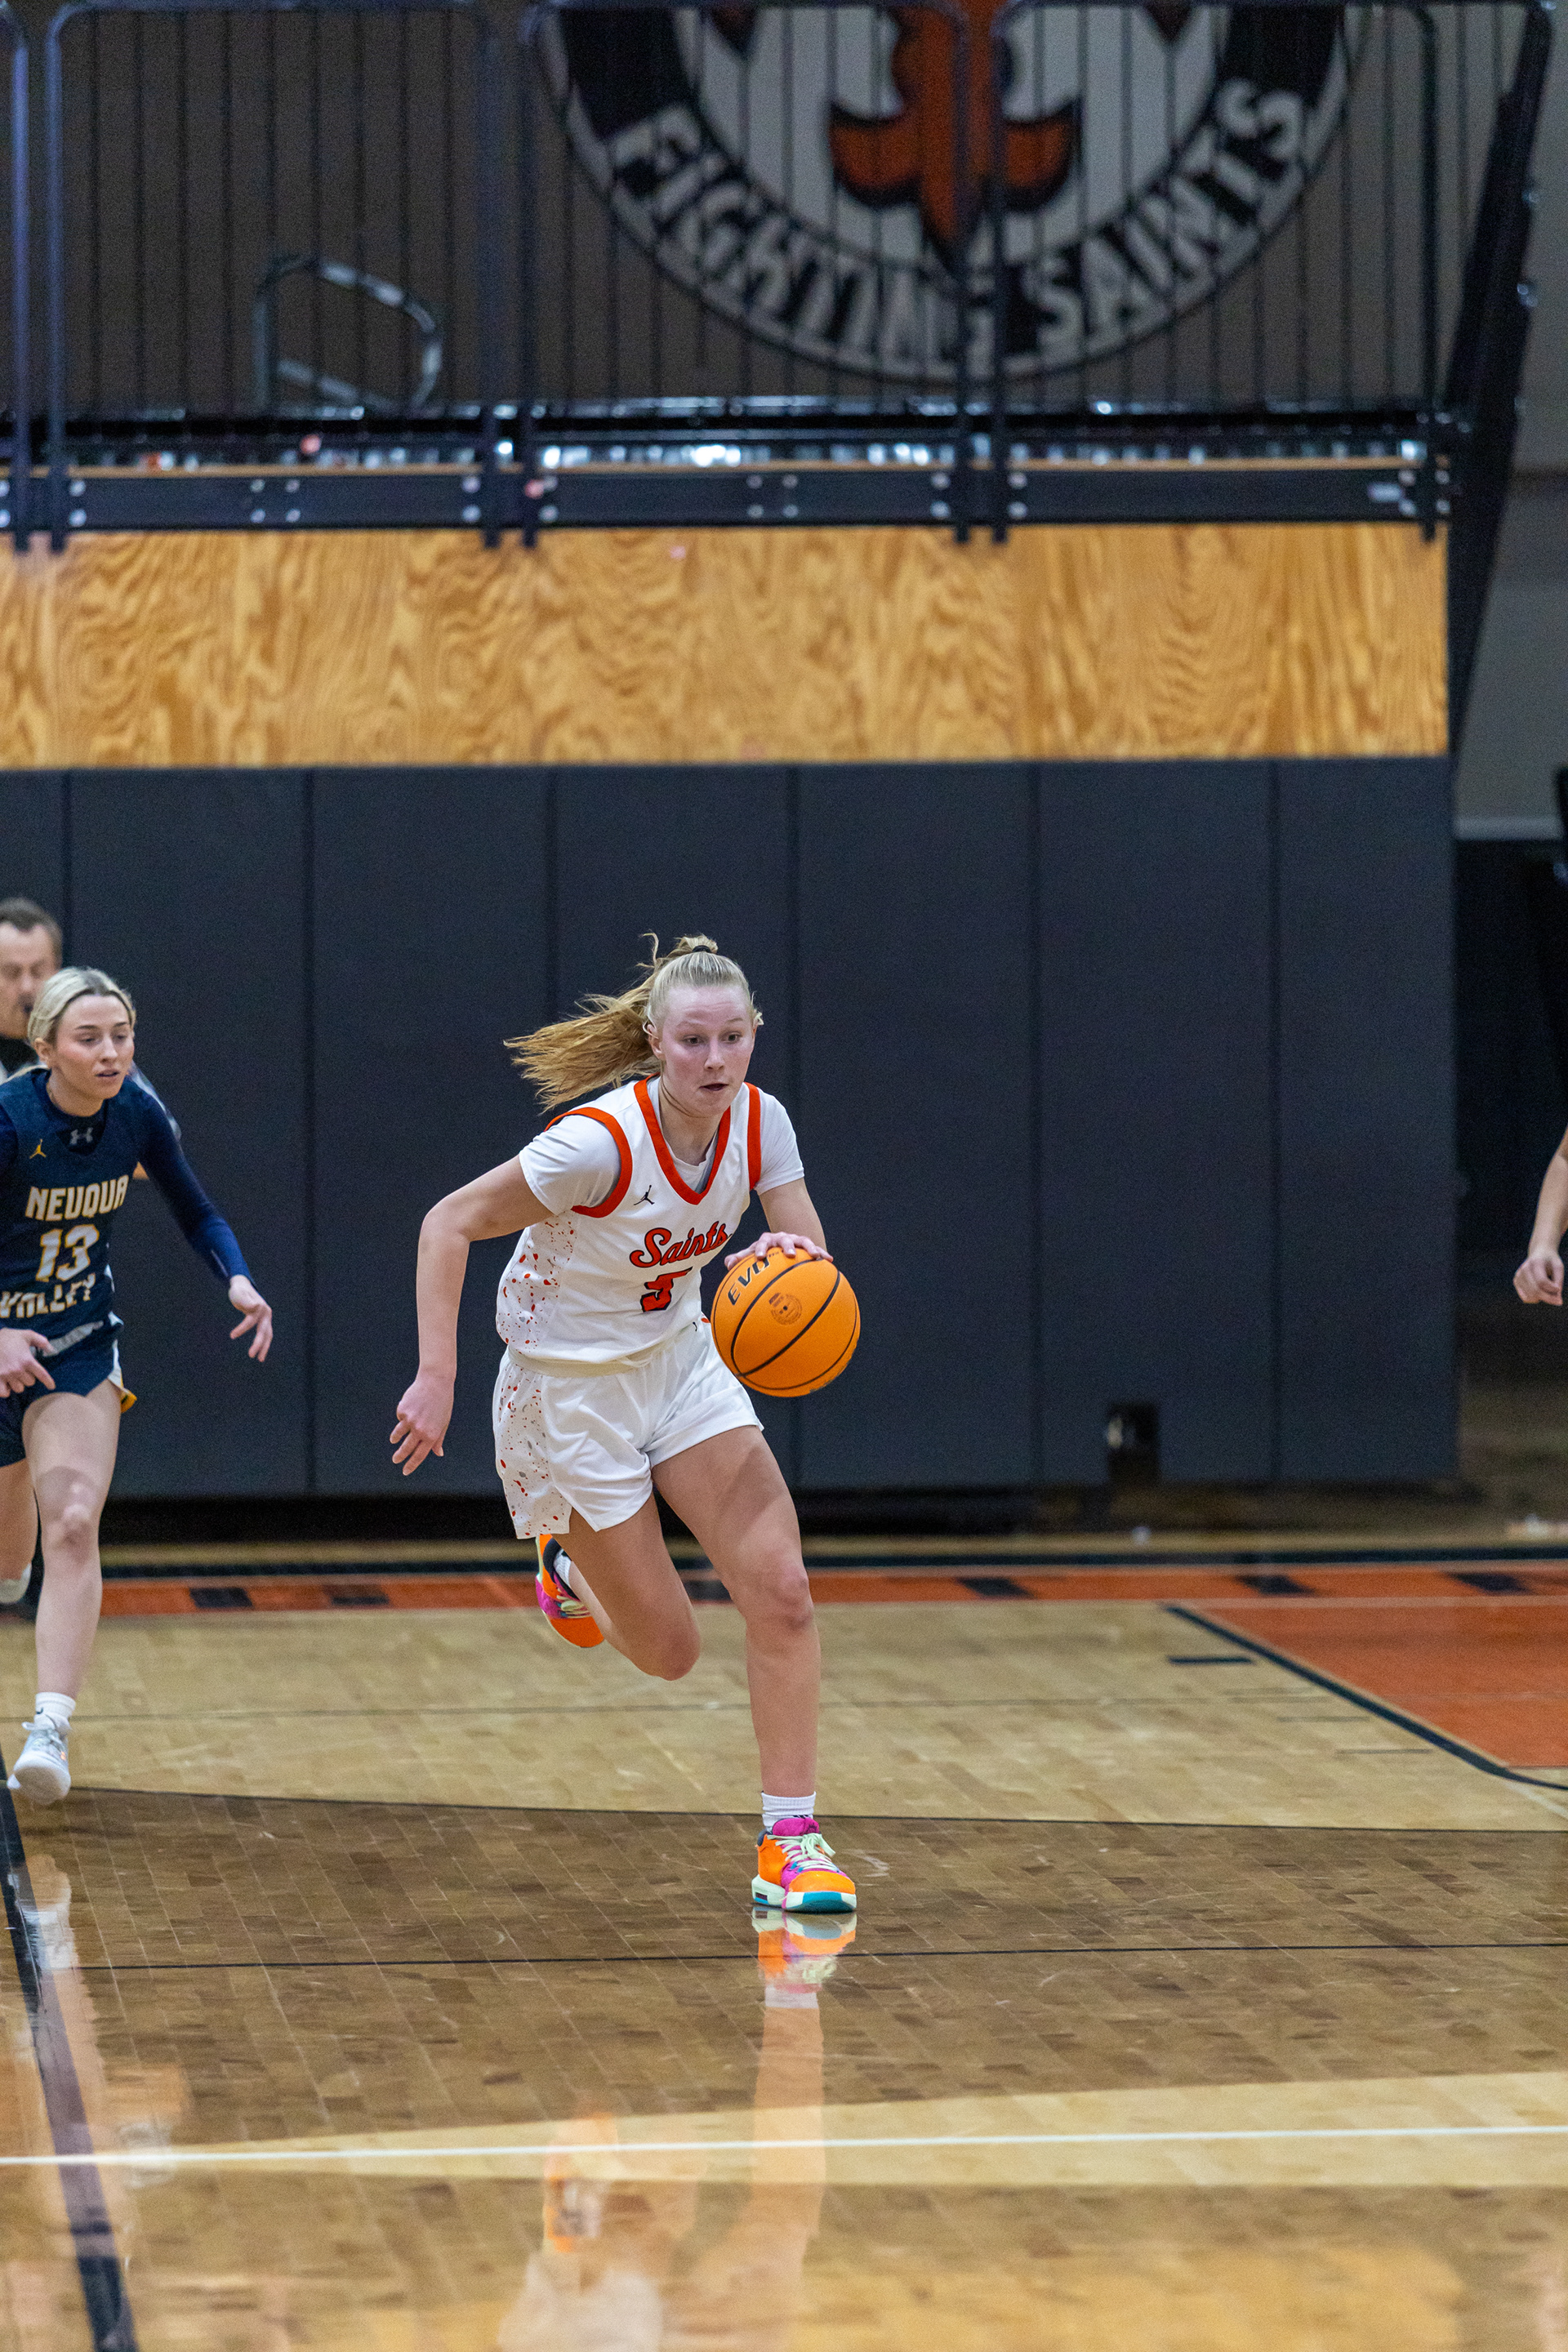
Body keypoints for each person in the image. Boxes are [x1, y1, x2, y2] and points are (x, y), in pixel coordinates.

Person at [390, 935, 856, 1917]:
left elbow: (806, 1247)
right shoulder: (597, 1145)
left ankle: (791, 1843)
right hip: (567, 1395)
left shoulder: (761, 1121)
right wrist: (437, 1375)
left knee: (783, 1591)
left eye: (733, 1038)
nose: (716, 1060)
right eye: (693, 1041)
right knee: (670, 1652)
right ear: (655, 1040)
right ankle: (567, 1562)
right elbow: (447, 1222)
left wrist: (783, 1264)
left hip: (681, 1362)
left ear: (755, 1034)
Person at [0, 967, 273, 1803]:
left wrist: (237, 1278)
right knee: (7, 1561)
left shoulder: (137, 1115)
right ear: (46, 1048)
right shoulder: (10, 1120)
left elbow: (198, 1210)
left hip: (76, 1344)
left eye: (121, 1036)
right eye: (89, 1039)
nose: (111, 1052)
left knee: (74, 1520)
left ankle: (50, 1728)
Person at [0, 897, 63, 1077]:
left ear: (58, 973)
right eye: (12, 973)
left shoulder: (89, 1056)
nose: (26, 988)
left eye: (38, 972)